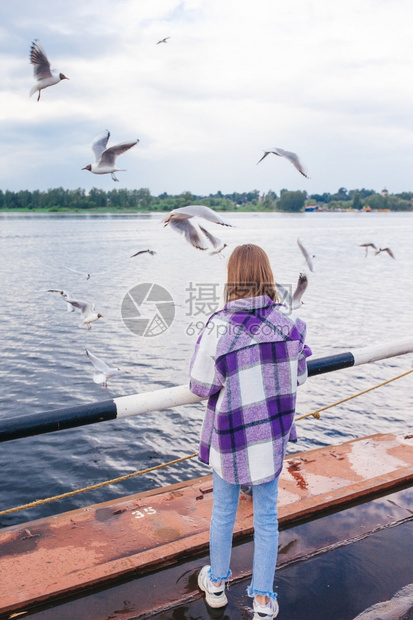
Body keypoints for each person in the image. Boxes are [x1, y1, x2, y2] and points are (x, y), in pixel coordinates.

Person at [189, 244, 312, 619]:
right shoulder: (288, 323)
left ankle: (217, 584)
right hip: (271, 438)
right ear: (267, 275)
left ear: (232, 279)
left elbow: (199, 385)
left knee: (223, 511)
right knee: (267, 517)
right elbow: (300, 376)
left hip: (231, 438)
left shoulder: (220, 325)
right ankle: (261, 600)